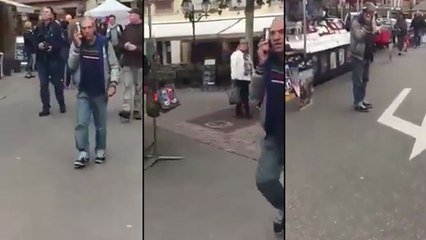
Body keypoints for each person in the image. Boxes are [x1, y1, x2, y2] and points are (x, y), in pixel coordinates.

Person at [68, 17, 119, 169]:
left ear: (95, 27)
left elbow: (114, 65)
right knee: (81, 123)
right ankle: (83, 152)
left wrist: (113, 84)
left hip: (100, 90)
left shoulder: (104, 43)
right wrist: (77, 48)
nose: (87, 31)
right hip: (83, 90)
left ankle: (100, 150)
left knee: (100, 125)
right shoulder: (77, 44)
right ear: (80, 30)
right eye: (84, 28)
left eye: (90, 27)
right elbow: (71, 66)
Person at [251, 16, 284, 233]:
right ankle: (284, 206)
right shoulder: (269, 62)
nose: (276, 37)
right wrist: (261, 67)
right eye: (272, 33)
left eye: (281, 32)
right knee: (264, 179)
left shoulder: (299, 58)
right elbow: (254, 97)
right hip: (273, 134)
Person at [34, 6, 66, 116]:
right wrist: (38, 45)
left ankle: (61, 103)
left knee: (57, 84)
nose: (44, 13)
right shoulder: (38, 27)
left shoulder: (56, 27)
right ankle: (45, 107)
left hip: (54, 59)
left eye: (46, 12)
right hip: (42, 60)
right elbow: (33, 41)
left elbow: (62, 43)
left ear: (52, 14)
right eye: (42, 12)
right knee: (43, 84)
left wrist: (53, 47)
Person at [348, 2, 377, 113]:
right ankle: (357, 102)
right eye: (370, 12)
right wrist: (366, 29)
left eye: (373, 13)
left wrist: (375, 28)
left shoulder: (370, 21)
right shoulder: (356, 22)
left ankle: (362, 99)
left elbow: (374, 32)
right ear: (365, 12)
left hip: (367, 54)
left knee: (365, 79)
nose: (371, 15)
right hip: (358, 54)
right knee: (358, 80)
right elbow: (358, 37)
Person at [118, 8, 143, 120]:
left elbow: (148, 48)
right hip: (127, 61)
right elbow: (120, 44)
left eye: (132, 14)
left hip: (139, 63)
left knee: (139, 87)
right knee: (127, 86)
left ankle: (137, 109)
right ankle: (126, 109)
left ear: (139, 16)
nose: (130, 16)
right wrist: (125, 46)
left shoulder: (144, 29)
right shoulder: (127, 28)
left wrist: (136, 48)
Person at [230, 37, 253, 119]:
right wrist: (233, 78)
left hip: (246, 78)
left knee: (243, 96)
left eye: (246, 43)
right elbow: (233, 66)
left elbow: (250, 65)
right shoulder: (235, 55)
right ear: (239, 45)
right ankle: (245, 112)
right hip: (239, 78)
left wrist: (251, 74)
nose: (245, 45)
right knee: (242, 96)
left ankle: (239, 112)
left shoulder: (247, 55)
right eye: (243, 43)